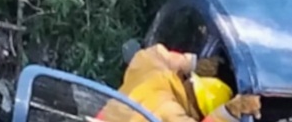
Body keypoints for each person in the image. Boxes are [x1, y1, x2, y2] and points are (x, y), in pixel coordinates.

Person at [97, 44, 261, 122]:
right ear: (195, 112)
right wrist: (229, 112)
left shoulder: (153, 74)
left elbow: (150, 55)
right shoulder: (169, 112)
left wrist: (192, 64)